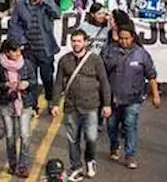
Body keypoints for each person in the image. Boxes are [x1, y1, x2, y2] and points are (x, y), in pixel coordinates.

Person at [52, 29, 111, 180]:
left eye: (79, 41)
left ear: (85, 42)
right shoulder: (64, 60)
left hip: (91, 105)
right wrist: (55, 103)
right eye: (73, 41)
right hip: (71, 106)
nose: (76, 44)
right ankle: (76, 166)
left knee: (91, 137)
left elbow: (104, 82)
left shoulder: (95, 60)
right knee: (73, 139)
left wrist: (107, 104)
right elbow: (58, 83)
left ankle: (90, 160)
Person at [102, 21, 159, 170]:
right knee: (111, 125)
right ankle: (114, 146)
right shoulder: (109, 51)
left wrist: (155, 95)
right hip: (113, 98)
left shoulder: (141, 54)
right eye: (121, 38)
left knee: (130, 125)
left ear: (133, 37)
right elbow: (101, 73)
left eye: (127, 38)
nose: (124, 41)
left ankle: (130, 155)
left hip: (133, 98)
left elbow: (151, 75)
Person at [8, 0, 60, 112]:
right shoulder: (21, 5)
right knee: (31, 79)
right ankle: (32, 105)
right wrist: (21, 41)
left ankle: (49, 99)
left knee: (47, 77)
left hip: (45, 48)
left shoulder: (46, 3)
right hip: (29, 48)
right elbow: (14, 24)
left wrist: (45, 0)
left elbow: (57, 13)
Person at [0, 38, 37, 177]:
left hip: (24, 103)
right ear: (7, 52)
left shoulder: (26, 64)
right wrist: (6, 85)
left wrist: (27, 84)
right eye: (14, 51)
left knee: (25, 135)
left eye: (18, 51)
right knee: (10, 136)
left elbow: (34, 80)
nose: (17, 54)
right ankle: (13, 164)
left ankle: (23, 166)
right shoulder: (0, 66)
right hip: (6, 103)